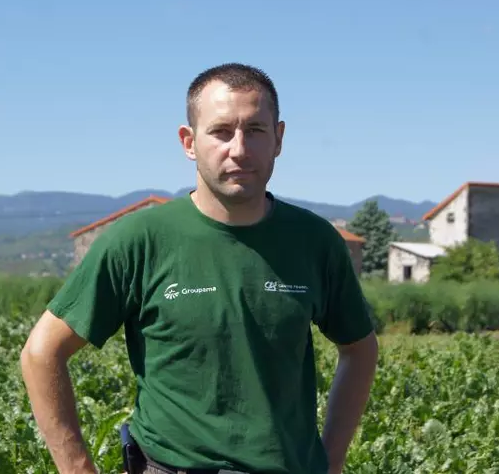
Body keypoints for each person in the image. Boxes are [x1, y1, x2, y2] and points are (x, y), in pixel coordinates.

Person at [20, 63, 379, 474]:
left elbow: (360, 348)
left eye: (256, 131)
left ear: (278, 139)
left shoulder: (315, 242)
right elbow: (42, 353)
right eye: (221, 131)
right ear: (189, 141)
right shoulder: (139, 240)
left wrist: (331, 461)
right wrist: (77, 468)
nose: (239, 149)